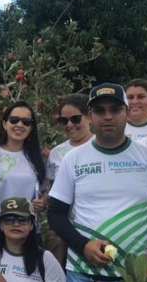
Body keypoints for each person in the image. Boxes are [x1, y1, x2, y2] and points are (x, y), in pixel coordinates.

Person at [48, 83, 147, 281]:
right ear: (90, 116)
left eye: (115, 109)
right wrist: (84, 245)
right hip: (82, 272)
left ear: (127, 113)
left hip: (134, 274)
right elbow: (55, 213)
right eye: (99, 110)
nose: (107, 116)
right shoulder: (73, 159)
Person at [0, 101, 47, 240]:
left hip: (29, 232)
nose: (19, 125)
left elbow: (43, 192)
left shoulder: (35, 157)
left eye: (26, 122)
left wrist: (43, 201)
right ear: (4, 124)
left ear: (31, 127)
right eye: (14, 120)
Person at [44, 93, 94, 267]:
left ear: (89, 116)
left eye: (75, 119)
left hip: (90, 228)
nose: (70, 125)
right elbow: (50, 188)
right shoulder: (57, 153)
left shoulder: (101, 146)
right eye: (64, 121)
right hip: (61, 229)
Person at [0, 197, 66, 282]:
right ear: (1, 225)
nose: (16, 224)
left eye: (22, 220)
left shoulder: (45, 258)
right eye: (9, 219)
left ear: (32, 225)